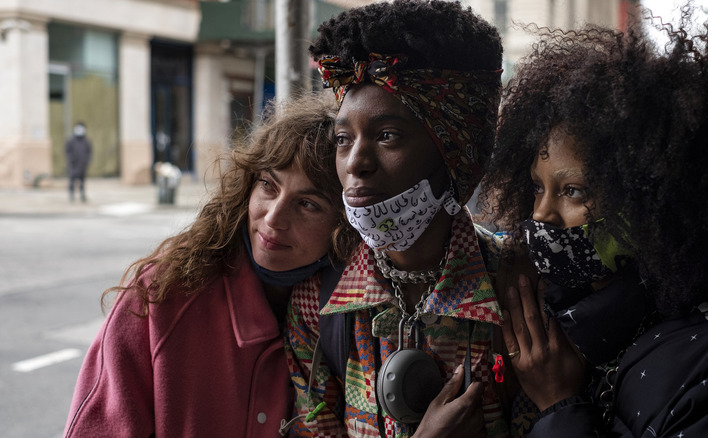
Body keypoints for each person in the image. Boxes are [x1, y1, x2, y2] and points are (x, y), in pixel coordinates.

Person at [482, 0, 708, 436]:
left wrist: (559, 406)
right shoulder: (595, 318)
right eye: (535, 187)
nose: (541, 214)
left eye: (573, 191)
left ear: (653, 199)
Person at [284, 1, 537, 437]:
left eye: (387, 136)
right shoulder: (316, 306)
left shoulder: (519, 290)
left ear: (451, 152)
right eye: (344, 140)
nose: (356, 163)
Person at [63, 93, 361, 437]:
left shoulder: (357, 315)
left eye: (308, 204)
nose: (273, 217)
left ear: (345, 223)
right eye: (268, 185)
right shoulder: (165, 293)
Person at [64, 122, 92, 203]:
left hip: (83, 165)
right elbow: (67, 151)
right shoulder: (71, 140)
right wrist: (71, 159)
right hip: (73, 164)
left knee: (82, 181)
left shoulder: (86, 141)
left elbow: (89, 152)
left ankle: (82, 195)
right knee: (72, 181)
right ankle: (72, 195)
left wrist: (87, 161)